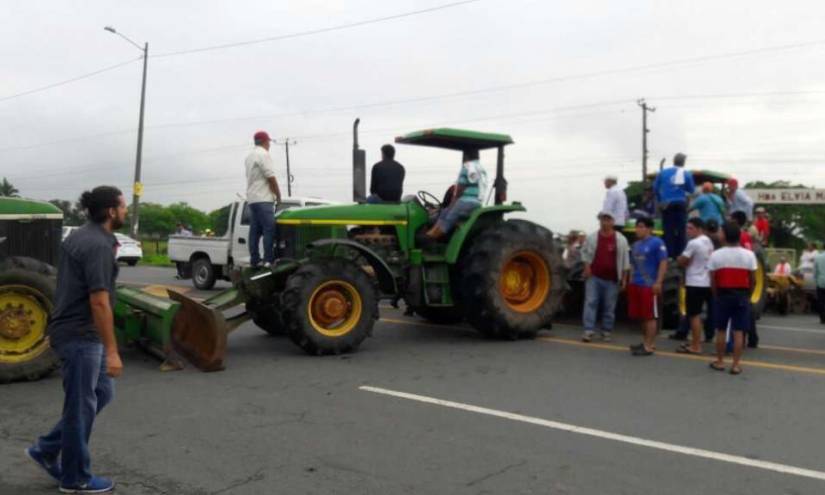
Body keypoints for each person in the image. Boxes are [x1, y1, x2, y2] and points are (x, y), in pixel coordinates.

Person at [27, 186, 127, 493]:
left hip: (78, 333)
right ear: (111, 211)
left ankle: (46, 448)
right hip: (80, 336)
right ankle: (75, 478)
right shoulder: (97, 245)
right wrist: (112, 350)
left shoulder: (83, 236)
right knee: (80, 407)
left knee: (101, 394)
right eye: (123, 206)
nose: (126, 210)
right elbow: (99, 301)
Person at [708, 222, 757, 375]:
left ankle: (720, 361)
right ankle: (736, 365)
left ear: (725, 235)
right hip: (742, 295)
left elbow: (712, 280)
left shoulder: (716, 254)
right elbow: (753, 279)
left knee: (721, 330)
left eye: (721, 231)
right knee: (739, 332)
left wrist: (716, 294)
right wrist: (748, 294)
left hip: (723, 295)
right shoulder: (749, 255)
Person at [580, 211, 631, 342]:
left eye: (608, 220)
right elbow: (584, 253)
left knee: (609, 307)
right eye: (603, 219)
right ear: (600, 221)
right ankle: (588, 330)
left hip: (612, 279)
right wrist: (587, 267)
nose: (605, 222)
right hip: (594, 276)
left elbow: (626, 261)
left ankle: (606, 330)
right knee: (590, 303)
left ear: (613, 222)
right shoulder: (592, 237)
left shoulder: (621, 239)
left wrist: (624, 280)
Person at [627, 216, 669, 356]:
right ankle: (645, 342)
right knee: (642, 316)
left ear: (650, 228)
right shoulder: (635, 245)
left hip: (649, 285)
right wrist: (631, 280)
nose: (638, 229)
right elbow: (632, 264)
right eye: (637, 226)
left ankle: (649, 345)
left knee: (650, 316)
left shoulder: (657, 243)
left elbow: (663, 263)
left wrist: (658, 282)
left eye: (642, 226)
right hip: (636, 284)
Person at [425, 150, 487, 240]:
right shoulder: (481, 169)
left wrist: (453, 202)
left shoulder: (466, 167)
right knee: (444, 211)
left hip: (466, 201)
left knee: (448, 219)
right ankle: (430, 232)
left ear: (466, 157)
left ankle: (429, 239)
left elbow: (460, 189)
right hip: (477, 202)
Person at [675, 218, 714, 355]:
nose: (688, 231)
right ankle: (695, 342)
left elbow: (682, 260)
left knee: (694, 315)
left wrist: (679, 259)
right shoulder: (708, 241)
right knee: (697, 314)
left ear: (699, 229)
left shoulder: (693, 243)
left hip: (694, 282)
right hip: (706, 282)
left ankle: (696, 346)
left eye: (691, 228)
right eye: (687, 228)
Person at [245, 130, 282, 268]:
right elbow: (270, 176)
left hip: (252, 199)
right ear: (266, 142)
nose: (269, 145)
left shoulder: (249, 157)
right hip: (263, 198)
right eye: (269, 142)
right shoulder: (264, 154)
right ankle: (268, 260)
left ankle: (255, 260)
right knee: (269, 228)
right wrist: (278, 195)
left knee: (254, 230)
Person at [653, 152, 695, 258]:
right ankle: (680, 254)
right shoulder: (686, 173)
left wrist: (660, 200)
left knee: (668, 231)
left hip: (667, 204)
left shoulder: (662, 173)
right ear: (683, 162)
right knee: (681, 231)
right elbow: (691, 190)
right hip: (680, 204)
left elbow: (655, 189)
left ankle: (669, 255)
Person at [814, 248, 825, 324]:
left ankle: (822, 318)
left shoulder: (818, 257)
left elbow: (815, 272)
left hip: (821, 282)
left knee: (821, 301)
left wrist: (816, 281)